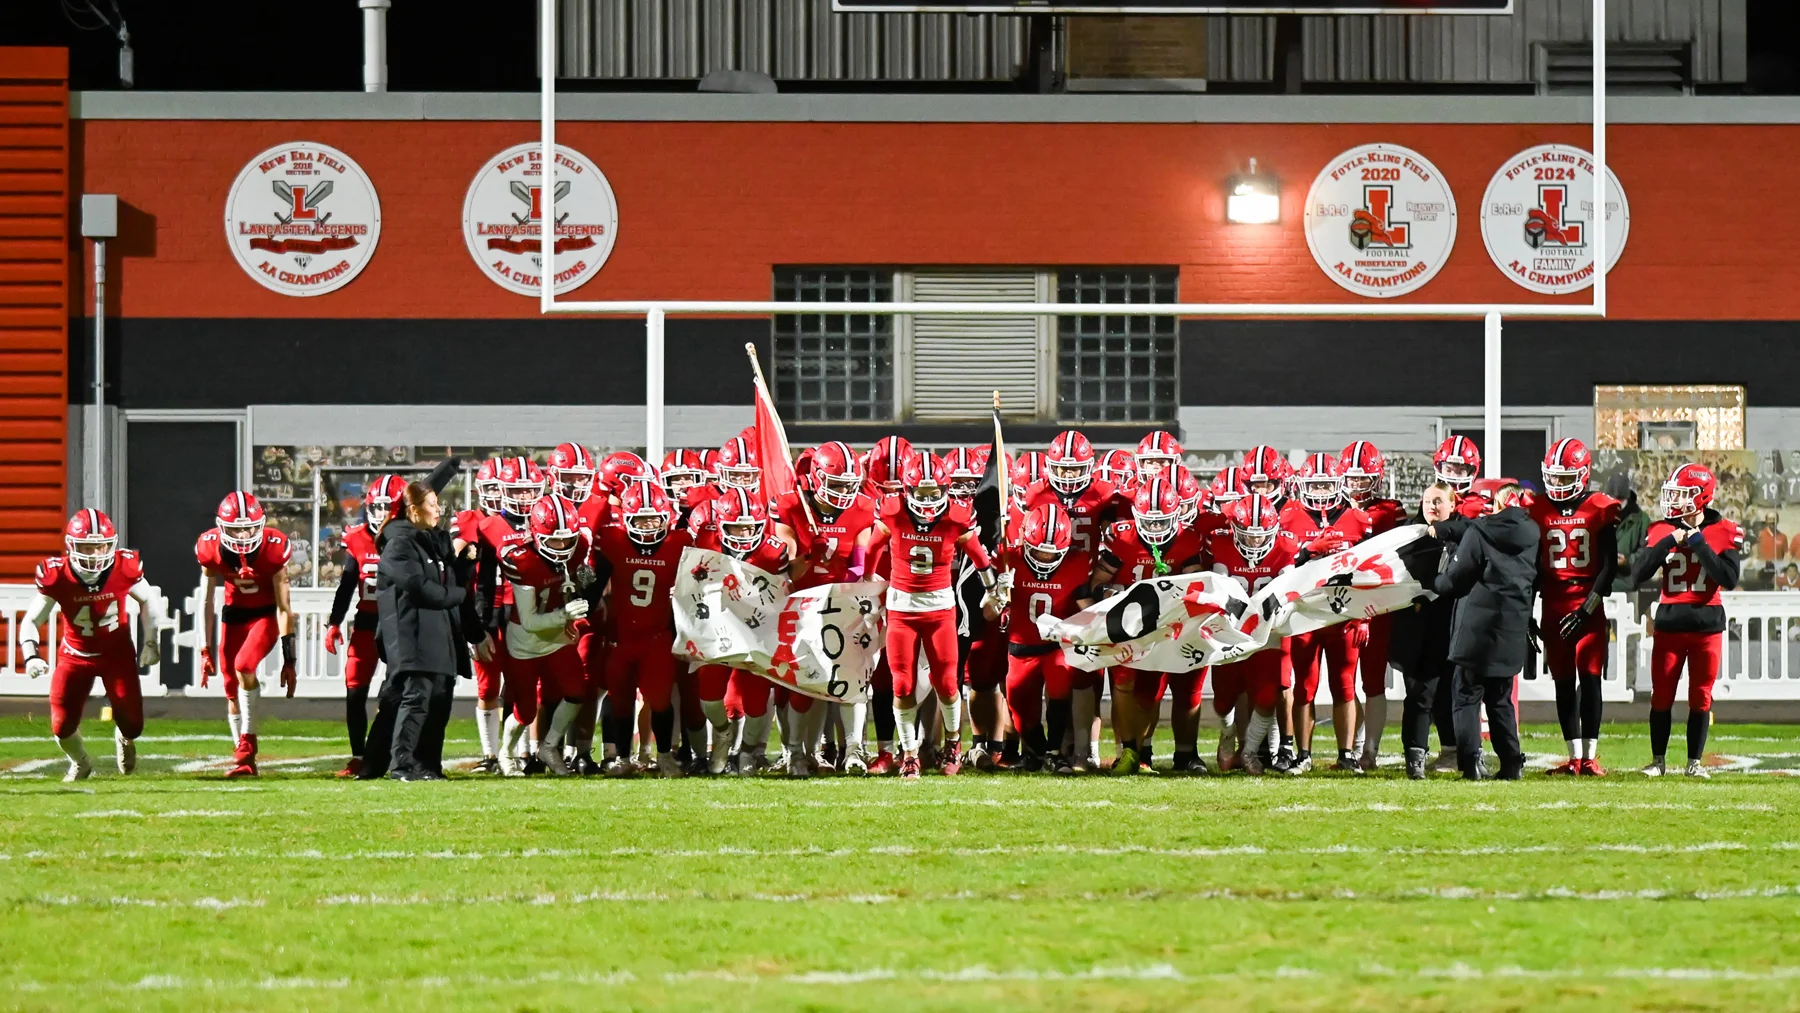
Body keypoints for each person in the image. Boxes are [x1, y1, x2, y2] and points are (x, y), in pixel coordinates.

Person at [18, 510, 164, 781]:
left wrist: (152, 641)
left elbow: (149, 600)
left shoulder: (124, 566)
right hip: (75, 655)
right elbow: (31, 620)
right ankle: (80, 762)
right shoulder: (57, 574)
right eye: (88, 547)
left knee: (133, 724)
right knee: (61, 725)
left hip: (116, 654)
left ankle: (124, 737)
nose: (96, 554)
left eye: (101, 546)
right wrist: (31, 655)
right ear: (73, 546)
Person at [1630, 463, 1743, 779]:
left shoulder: (1725, 529)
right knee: (1661, 695)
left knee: (1701, 695)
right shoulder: (1661, 529)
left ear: (1701, 496)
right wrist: (1671, 541)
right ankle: (1658, 761)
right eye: (1674, 493)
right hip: (1669, 623)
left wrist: (1698, 543)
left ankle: (1694, 763)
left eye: (1682, 494)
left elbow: (1729, 578)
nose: (1675, 500)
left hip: (1707, 624)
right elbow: (1637, 574)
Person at [374, 473, 479, 781]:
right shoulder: (399, 544)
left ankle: (428, 765)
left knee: (439, 701)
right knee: (416, 699)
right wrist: (458, 595)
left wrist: (465, 559)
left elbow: (450, 570)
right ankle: (401, 765)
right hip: (413, 636)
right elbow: (420, 588)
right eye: (432, 504)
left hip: (440, 635)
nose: (438, 510)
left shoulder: (430, 541)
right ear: (414, 510)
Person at [1431, 481, 1538, 780]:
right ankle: (1511, 762)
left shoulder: (1480, 531)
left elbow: (1454, 581)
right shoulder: (1533, 533)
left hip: (1477, 626)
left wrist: (1435, 579)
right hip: (1514, 624)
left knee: (1466, 696)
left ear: (1497, 503)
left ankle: (1471, 762)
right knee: (1500, 699)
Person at [1529, 439, 1621, 776]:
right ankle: (1572, 756)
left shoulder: (1599, 507)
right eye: (1552, 477)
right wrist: (1528, 610)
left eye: (1564, 478)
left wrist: (1586, 609)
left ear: (1582, 475)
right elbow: (1531, 567)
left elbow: (1609, 566)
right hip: (1552, 603)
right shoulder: (1537, 508)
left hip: (1587, 602)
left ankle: (1590, 756)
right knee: (1563, 682)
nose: (1556, 484)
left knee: (1591, 679)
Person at [195, 492, 296, 778]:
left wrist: (290, 659)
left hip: (264, 615)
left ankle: (248, 744)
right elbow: (206, 600)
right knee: (230, 686)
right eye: (236, 527)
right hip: (233, 615)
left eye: (249, 527)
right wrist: (205, 649)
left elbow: (284, 607)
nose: (243, 534)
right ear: (221, 526)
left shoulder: (274, 548)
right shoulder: (210, 547)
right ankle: (243, 760)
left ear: (261, 524)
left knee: (244, 665)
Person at [325, 472, 408, 778]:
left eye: (389, 507)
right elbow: (347, 585)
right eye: (377, 506)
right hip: (367, 623)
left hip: (399, 624)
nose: (381, 513)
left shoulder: (411, 536)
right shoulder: (358, 537)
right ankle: (359, 755)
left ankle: (394, 754)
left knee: (395, 692)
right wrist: (334, 622)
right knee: (355, 690)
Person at [1391, 482, 1459, 779]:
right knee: (1419, 693)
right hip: (1415, 626)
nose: (1432, 506)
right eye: (1428, 500)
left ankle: (1455, 752)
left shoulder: (1463, 533)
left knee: (1450, 694)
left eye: (1439, 501)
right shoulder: (1407, 532)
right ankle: (1415, 756)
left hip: (1450, 625)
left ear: (1452, 506)